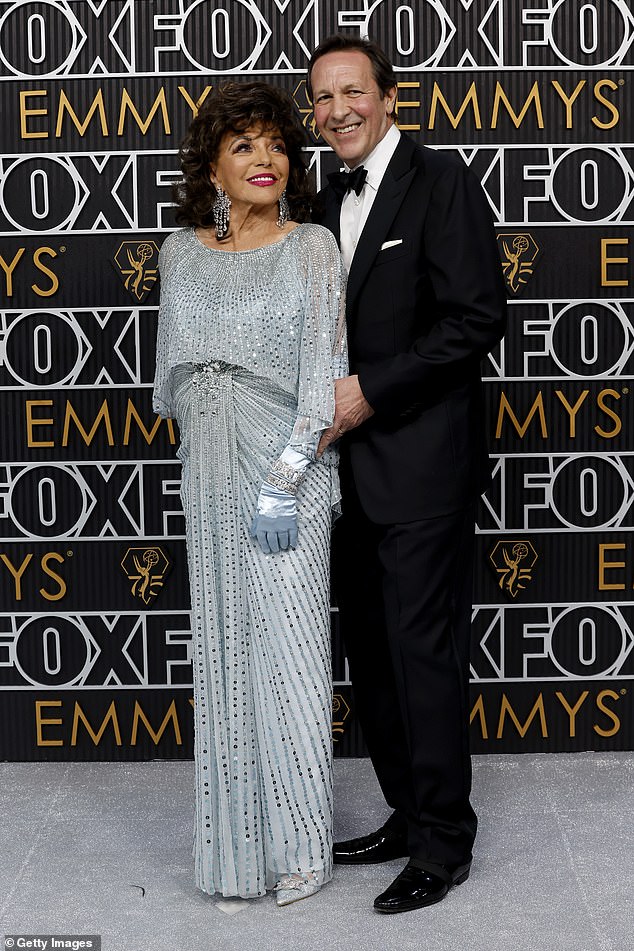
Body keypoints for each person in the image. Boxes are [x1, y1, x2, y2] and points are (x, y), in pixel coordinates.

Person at [309, 35, 507, 914]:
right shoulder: (321, 202)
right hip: (341, 475)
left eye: (353, 91)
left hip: (423, 464)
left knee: (422, 653)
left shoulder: (443, 182)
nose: (338, 109)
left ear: (388, 97)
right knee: (375, 658)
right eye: (322, 98)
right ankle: (404, 810)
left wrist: (368, 394)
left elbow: (474, 320)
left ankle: (444, 841)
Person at [152, 81, 347, 906]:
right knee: (225, 651)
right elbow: (172, 376)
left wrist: (289, 474)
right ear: (213, 167)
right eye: (243, 146)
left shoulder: (312, 248)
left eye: (273, 143)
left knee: (294, 657)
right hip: (210, 466)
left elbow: (323, 373)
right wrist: (208, 457)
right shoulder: (179, 251)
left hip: (286, 468)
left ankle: (303, 843)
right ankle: (235, 849)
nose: (263, 158)